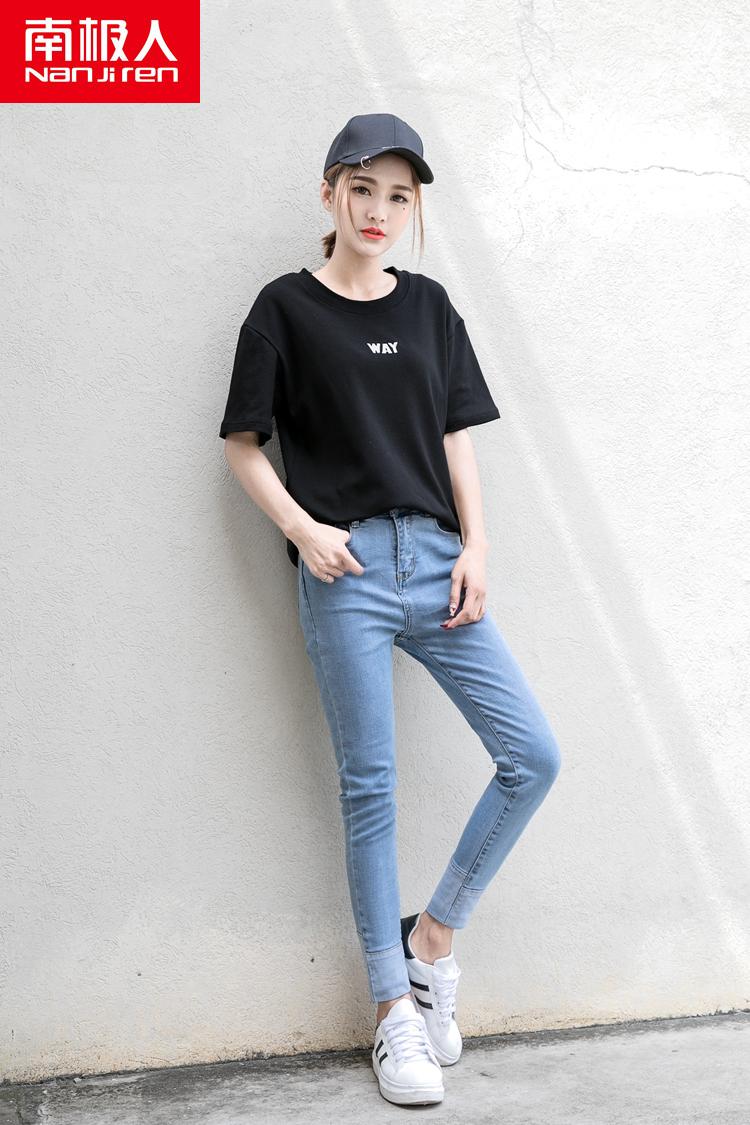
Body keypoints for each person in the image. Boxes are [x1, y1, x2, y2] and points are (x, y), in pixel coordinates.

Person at [220, 113, 562, 1108]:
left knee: (533, 755)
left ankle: (433, 939)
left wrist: (478, 548)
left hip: (440, 564)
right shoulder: (283, 309)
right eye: (363, 189)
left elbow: (457, 434)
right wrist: (304, 529)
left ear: (415, 209)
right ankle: (391, 1013)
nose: (378, 211)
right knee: (371, 789)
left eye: (399, 196)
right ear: (329, 191)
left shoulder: (431, 307)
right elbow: (242, 443)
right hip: (349, 573)